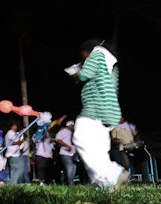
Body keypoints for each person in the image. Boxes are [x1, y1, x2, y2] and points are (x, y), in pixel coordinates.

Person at [69, 38, 130, 192]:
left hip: (95, 108)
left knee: (80, 139)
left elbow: (83, 76)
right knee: (98, 148)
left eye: (83, 56)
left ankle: (113, 174)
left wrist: (75, 74)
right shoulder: (111, 62)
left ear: (87, 52)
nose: (84, 59)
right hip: (109, 111)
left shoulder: (97, 54)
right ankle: (105, 187)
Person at [55, 120, 77, 185]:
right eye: (72, 126)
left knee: (73, 169)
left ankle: (70, 183)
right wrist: (67, 146)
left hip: (73, 154)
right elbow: (58, 139)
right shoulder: (63, 131)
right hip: (65, 153)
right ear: (69, 126)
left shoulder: (72, 133)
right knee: (69, 169)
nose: (73, 127)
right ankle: (70, 185)